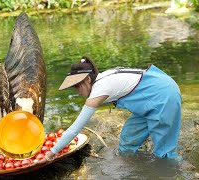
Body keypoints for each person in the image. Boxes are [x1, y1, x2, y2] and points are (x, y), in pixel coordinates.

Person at [41, 56, 182, 163]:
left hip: (163, 96)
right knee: (128, 139)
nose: (77, 91)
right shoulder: (102, 79)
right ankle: (130, 166)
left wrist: (51, 153)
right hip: (149, 98)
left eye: (78, 86)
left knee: (164, 154)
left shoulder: (99, 90)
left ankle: (176, 169)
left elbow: (74, 129)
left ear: (88, 80)